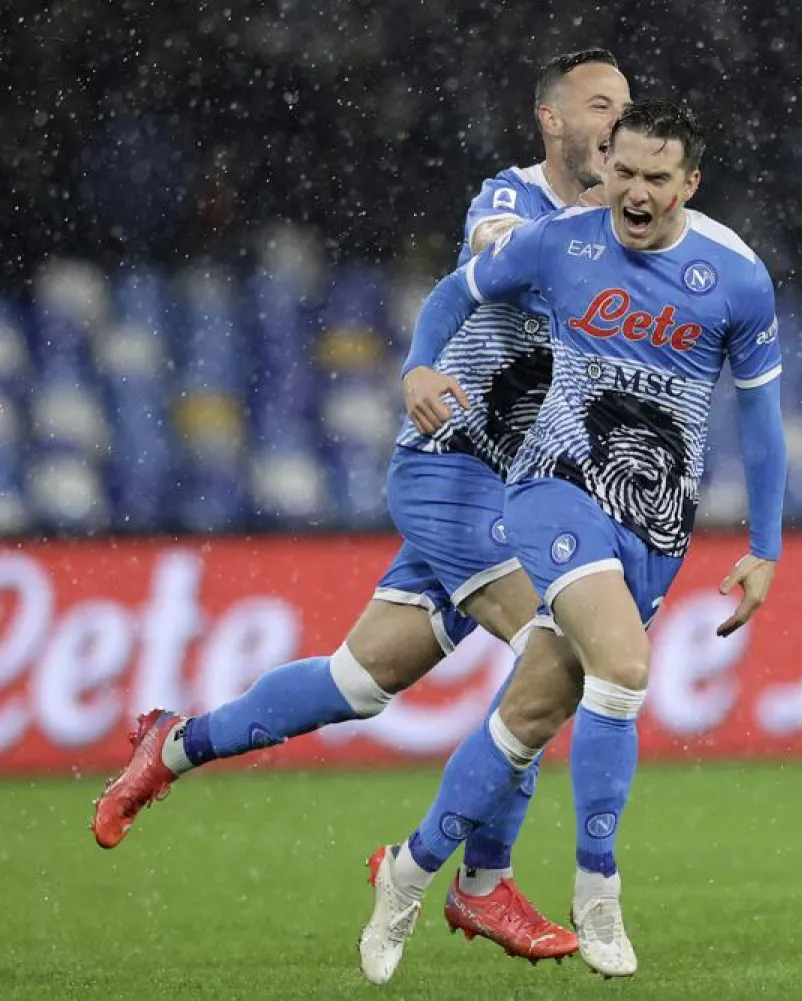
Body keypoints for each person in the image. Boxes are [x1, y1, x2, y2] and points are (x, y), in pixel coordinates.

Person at [89, 49, 631, 961]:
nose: (618, 121)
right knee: (558, 648)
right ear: (551, 120)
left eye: (627, 107)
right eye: (600, 105)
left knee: (358, 681)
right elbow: (490, 263)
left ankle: (172, 744)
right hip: (451, 469)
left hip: (518, 488)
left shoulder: (620, 230)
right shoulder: (512, 198)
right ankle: (481, 885)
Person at [358, 100, 787, 983]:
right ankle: (598, 888)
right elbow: (455, 291)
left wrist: (766, 546)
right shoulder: (563, 241)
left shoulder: (736, 277)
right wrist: (418, 365)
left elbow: (765, 420)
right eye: (621, 171)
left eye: (655, 178)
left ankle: (408, 869)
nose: (633, 191)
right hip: (553, 485)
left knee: (534, 710)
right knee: (623, 669)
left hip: (657, 518)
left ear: (688, 185)